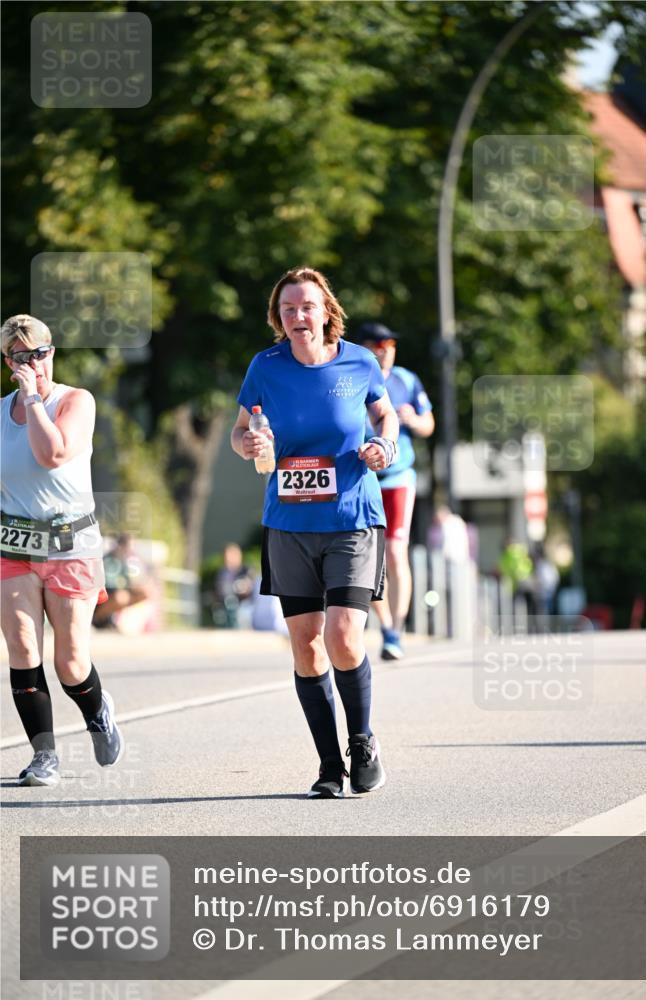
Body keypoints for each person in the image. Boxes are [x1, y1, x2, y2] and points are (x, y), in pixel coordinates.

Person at [231, 267, 399, 798]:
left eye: (306, 306)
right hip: (289, 523)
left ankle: (362, 740)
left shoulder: (358, 360)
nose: (298, 316)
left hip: (352, 519)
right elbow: (240, 431)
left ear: (326, 309)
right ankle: (330, 765)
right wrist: (250, 446)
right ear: (278, 318)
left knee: (344, 637)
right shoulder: (266, 366)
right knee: (306, 647)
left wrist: (384, 448)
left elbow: (385, 416)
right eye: (287, 309)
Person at [1, 314, 123, 787]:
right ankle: (43, 755)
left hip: (71, 544)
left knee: (70, 661)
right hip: (14, 544)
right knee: (22, 648)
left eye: (40, 353)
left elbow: (51, 454)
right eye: (21, 357)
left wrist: (33, 397)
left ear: (52, 352)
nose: (34, 363)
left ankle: (97, 712)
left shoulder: (76, 401)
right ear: (8, 361)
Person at [358, 322, 434, 660]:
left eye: (390, 343)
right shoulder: (353, 377)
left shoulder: (406, 379)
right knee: (370, 558)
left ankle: (396, 630)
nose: (385, 349)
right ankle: (385, 625)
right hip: (363, 477)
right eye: (377, 343)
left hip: (400, 477)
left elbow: (429, 423)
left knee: (396, 552)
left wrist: (414, 421)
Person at [92, 533, 153, 630]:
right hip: (107, 594)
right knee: (121, 597)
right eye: (128, 547)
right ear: (121, 546)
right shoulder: (110, 559)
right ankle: (98, 618)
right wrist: (129, 584)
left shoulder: (129, 559)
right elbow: (109, 583)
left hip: (123, 590)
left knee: (145, 592)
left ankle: (123, 620)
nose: (130, 550)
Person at [213, 542, 255, 628]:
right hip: (224, 604)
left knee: (241, 613)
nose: (227, 559)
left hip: (242, 604)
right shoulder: (223, 572)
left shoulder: (246, 570)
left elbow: (250, 588)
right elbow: (218, 589)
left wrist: (242, 587)